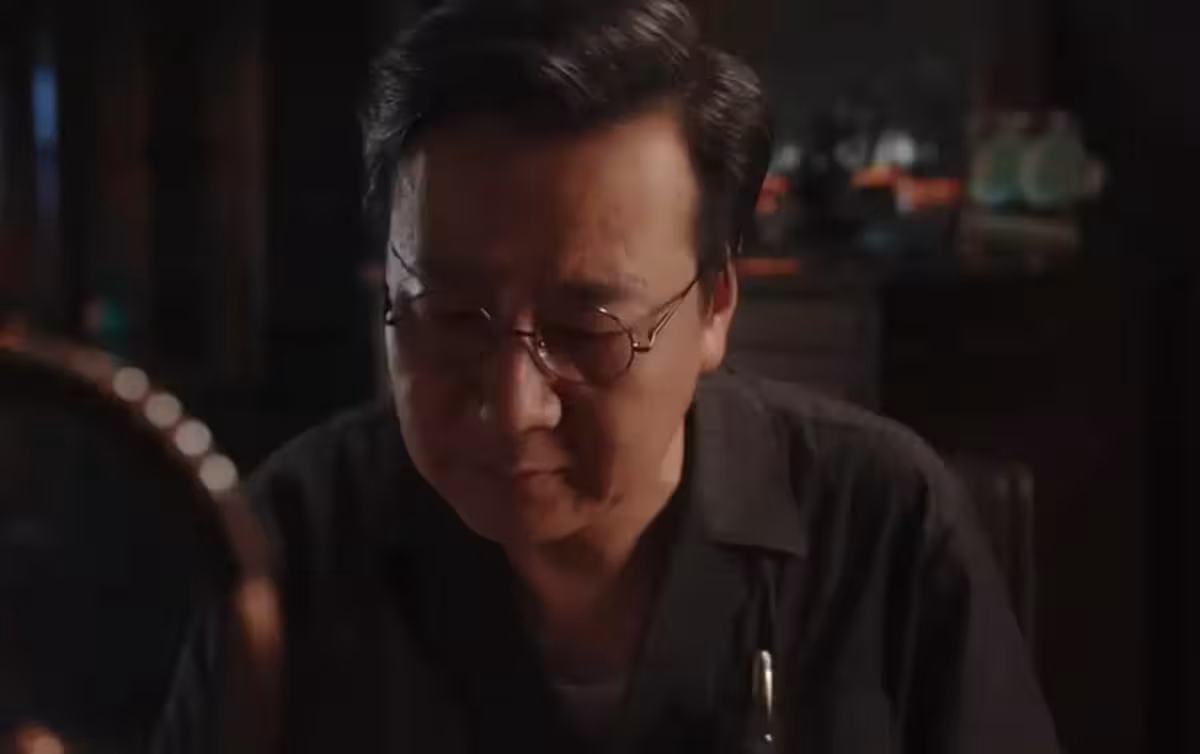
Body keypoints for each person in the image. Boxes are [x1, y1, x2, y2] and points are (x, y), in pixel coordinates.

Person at [164, 1, 1061, 751]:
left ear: (715, 305)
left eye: (587, 330)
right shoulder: (291, 546)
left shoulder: (886, 528)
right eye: (448, 315)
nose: (512, 407)